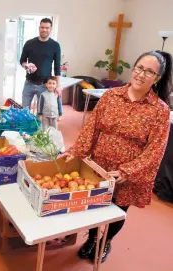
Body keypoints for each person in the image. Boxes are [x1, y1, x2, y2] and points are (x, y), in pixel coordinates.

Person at [61, 50, 172, 263]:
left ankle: (107, 241)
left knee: (117, 210)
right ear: (133, 68)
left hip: (129, 175)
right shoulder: (111, 96)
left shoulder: (160, 110)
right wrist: (75, 151)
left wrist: (127, 171)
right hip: (99, 165)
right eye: (139, 68)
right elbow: (91, 128)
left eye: (149, 72)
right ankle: (92, 238)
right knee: (93, 205)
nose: (141, 74)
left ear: (157, 78)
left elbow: (155, 150)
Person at [19, 18, 63, 118]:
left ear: (51, 29)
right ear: (39, 28)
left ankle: (38, 132)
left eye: (47, 28)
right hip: (29, 83)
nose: (44, 30)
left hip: (44, 85)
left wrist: (58, 85)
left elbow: (57, 68)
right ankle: (25, 131)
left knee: (41, 113)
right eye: (42, 27)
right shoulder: (29, 43)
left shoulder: (55, 46)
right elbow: (22, 60)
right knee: (24, 111)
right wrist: (26, 66)